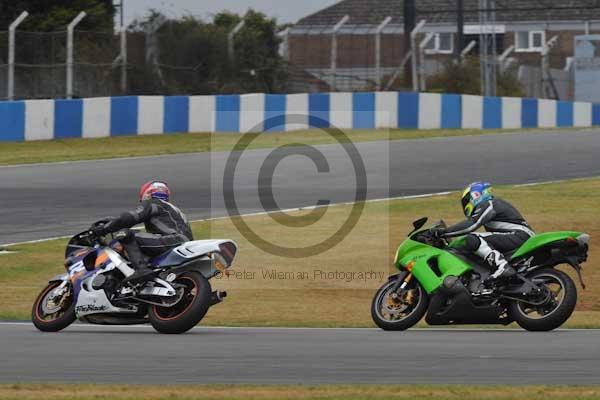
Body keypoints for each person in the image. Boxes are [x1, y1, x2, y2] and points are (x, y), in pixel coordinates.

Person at [91, 180, 193, 284]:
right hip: (185, 243)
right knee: (137, 236)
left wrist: (102, 229)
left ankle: (141, 269)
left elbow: (129, 218)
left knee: (125, 233)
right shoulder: (172, 209)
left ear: (147, 193)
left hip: (173, 240)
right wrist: (113, 221)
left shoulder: (152, 203)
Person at [434, 182, 534, 285]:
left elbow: (472, 224)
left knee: (473, 238)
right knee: (478, 245)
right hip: (518, 236)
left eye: (467, 200)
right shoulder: (492, 204)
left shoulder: (490, 204)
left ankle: (502, 266)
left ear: (475, 195)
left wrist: (443, 233)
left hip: (519, 235)